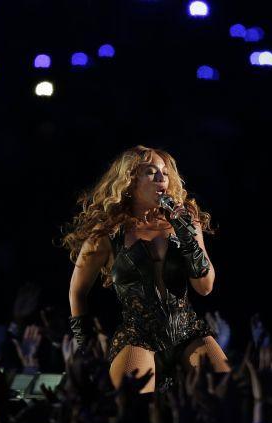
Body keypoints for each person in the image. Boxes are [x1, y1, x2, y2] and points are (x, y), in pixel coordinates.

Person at [62, 145, 231, 393]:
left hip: (188, 331)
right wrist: (85, 346)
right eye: (151, 172)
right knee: (133, 408)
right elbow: (77, 291)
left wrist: (186, 235)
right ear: (129, 181)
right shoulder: (108, 232)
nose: (162, 178)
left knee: (228, 392)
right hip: (138, 335)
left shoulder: (186, 221)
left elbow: (205, 288)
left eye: (164, 172)